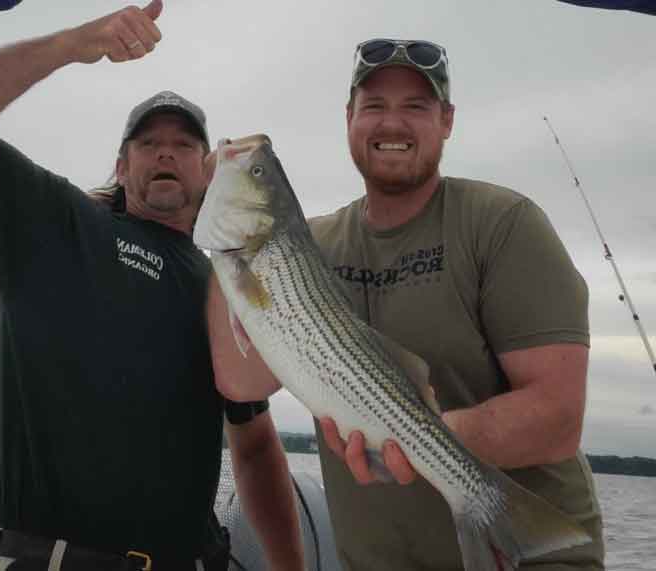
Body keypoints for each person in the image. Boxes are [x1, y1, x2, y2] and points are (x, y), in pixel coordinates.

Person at [0, 2, 304, 570]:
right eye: (147, 143)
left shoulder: (225, 284)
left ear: (207, 168)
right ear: (121, 167)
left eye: (186, 144)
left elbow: (256, 441)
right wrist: (69, 45)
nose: (166, 150)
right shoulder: (58, 224)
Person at [208, 39, 604, 569]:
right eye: (373, 106)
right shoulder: (311, 245)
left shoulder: (503, 224)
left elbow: (558, 417)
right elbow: (242, 383)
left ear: (447, 120)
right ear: (349, 118)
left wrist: (419, 441)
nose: (391, 124)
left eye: (415, 106)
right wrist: (220, 247)